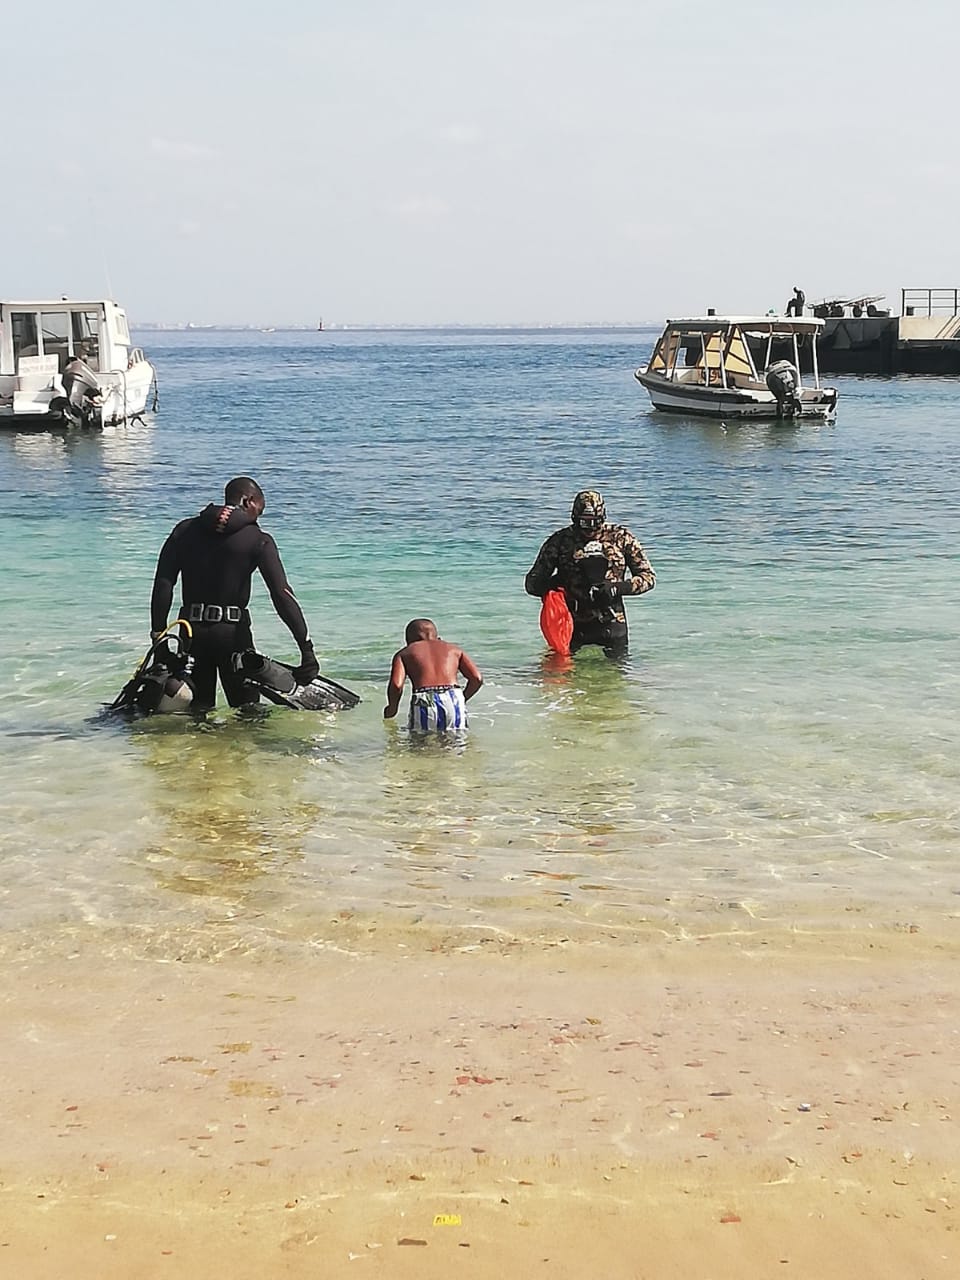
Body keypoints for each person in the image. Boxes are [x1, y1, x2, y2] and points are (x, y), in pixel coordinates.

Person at [149, 476, 319, 711]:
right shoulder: (258, 539)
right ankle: (240, 749)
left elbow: (163, 584)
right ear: (249, 501)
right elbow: (282, 595)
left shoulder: (184, 530)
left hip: (191, 634)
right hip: (233, 636)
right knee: (247, 712)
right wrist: (306, 649)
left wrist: (159, 639)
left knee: (197, 712)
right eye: (260, 509)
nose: (258, 517)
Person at [524, 489, 655, 656]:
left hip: (612, 623)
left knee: (614, 680)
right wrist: (559, 582)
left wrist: (617, 588)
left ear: (603, 517)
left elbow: (648, 577)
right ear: (574, 518)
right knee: (568, 680)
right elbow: (532, 584)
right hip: (571, 627)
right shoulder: (560, 541)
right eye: (584, 522)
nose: (589, 529)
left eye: (595, 522)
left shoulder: (621, 538)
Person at [384, 619, 483, 732]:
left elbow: (396, 685)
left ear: (408, 640)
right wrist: (462, 698)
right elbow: (477, 679)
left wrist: (392, 708)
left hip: (424, 698)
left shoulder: (405, 653)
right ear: (437, 637)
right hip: (453, 695)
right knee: (456, 744)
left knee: (420, 744)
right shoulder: (455, 650)